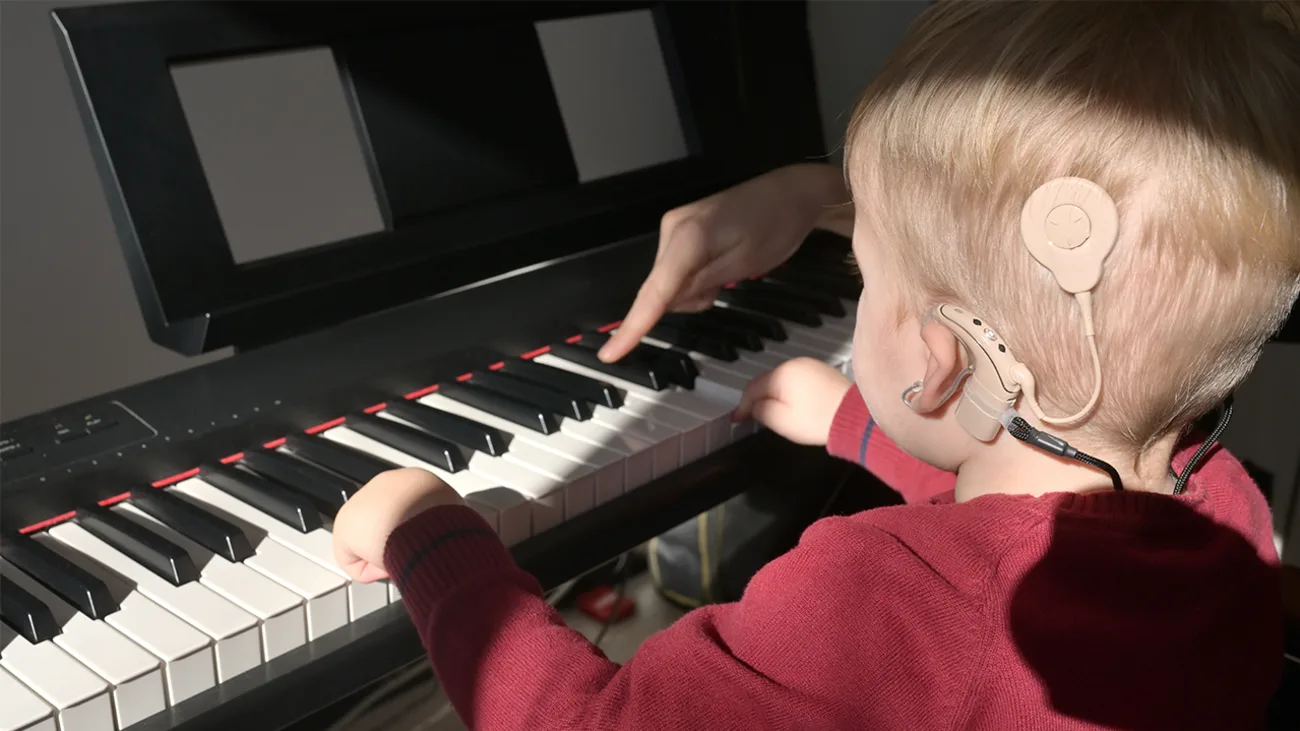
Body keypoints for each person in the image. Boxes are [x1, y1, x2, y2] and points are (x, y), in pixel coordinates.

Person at [332, 2, 1300, 729]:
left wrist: (433, 538)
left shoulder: (874, 599)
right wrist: (854, 421)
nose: (857, 283)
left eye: (862, 272)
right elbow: (1022, 518)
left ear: (939, 364)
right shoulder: (1228, 518)